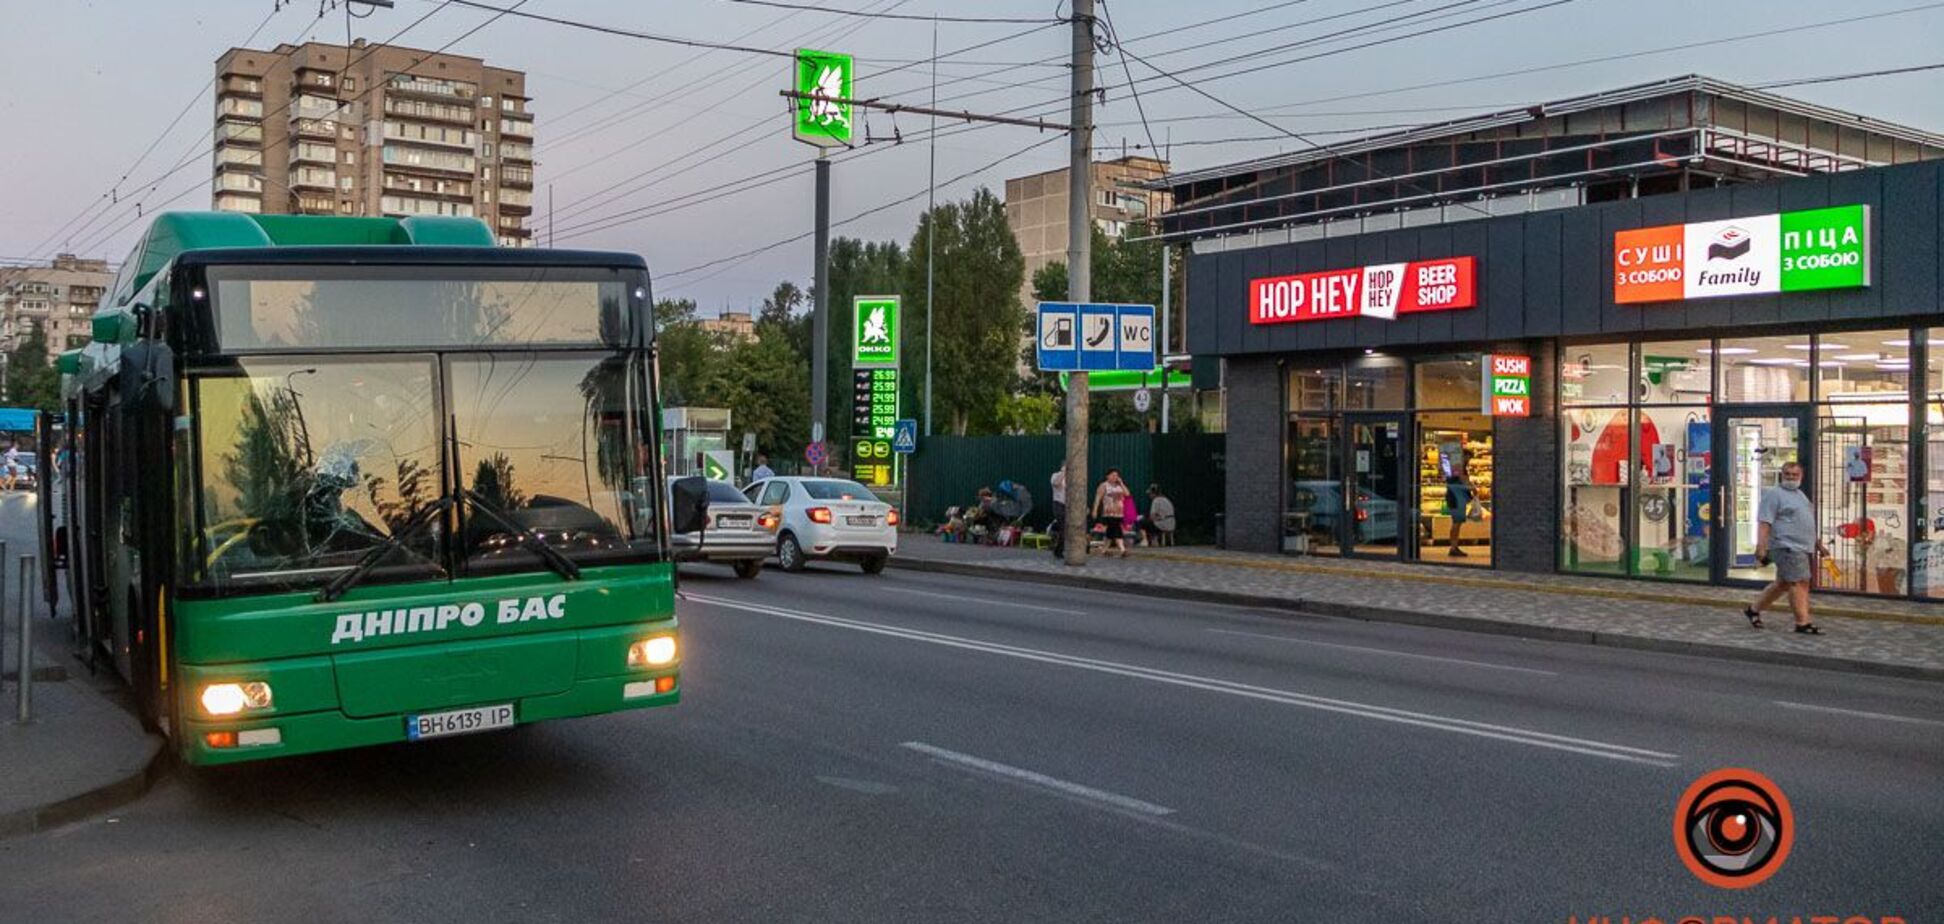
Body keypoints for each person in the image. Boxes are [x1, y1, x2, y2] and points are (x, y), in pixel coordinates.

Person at [1744, 461, 1829, 634]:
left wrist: (1819, 545)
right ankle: (1802, 622)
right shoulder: (1774, 495)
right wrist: (1761, 546)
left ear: (1801, 476)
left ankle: (1753, 610)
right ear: (1781, 475)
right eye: (1787, 474)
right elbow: (1764, 522)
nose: (1791, 477)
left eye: (1794, 474)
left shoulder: (1800, 495)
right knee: (1800, 582)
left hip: (1802, 546)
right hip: (1788, 546)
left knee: (1782, 584)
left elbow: (1806, 523)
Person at [1091, 467, 1131, 558]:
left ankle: (1104, 550)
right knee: (1117, 530)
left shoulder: (1119, 486)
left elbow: (1127, 494)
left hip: (1119, 513)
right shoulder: (1104, 486)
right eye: (1113, 475)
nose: (1115, 477)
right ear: (1107, 476)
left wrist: (1121, 483)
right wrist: (1095, 510)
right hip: (1109, 513)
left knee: (1110, 533)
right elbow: (1098, 498)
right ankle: (1123, 550)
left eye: (1116, 475)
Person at [1443, 446, 1473, 557]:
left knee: (1457, 522)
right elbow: (1463, 479)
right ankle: (1453, 547)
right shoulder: (1458, 467)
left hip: (1455, 496)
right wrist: (1472, 488)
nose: (1468, 461)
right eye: (1468, 458)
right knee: (1456, 522)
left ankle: (1454, 546)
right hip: (1456, 497)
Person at [1048, 465, 1067, 558]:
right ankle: (1058, 551)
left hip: (1069, 506)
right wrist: (1063, 473)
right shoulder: (1055, 475)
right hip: (1058, 503)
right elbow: (1056, 483)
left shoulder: (1072, 478)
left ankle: (1058, 549)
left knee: (1066, 529)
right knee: (1063, 527)